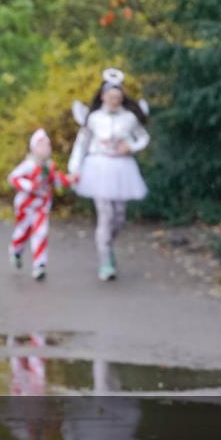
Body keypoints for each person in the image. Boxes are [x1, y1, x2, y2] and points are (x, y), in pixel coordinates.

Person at [67, 68, 151, 281]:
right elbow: (81, 144)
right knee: (105, 215)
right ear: (103, 96)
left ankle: (108, 245)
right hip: (99, 169)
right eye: (111, 97)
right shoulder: (93, 118)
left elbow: (142, 137)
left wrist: (131, 147)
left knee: (119, 217)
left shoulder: (129, 118)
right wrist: (74, 170)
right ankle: (105, 260)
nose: (114, 101)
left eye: (118, 97)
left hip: (122, 170)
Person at [8, 129, 73, 280]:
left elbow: (55, 179)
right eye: (41, 145)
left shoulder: (49, 166)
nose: (45, 148)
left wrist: (70, 179)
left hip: (41, 207)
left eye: (47, 145)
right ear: (34, 148)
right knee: (22, 232)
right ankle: (16, 251)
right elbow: (13, 178)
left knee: (41, 233)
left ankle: (40, 265)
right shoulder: (28, 165)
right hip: (25, 207)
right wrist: (29, 186)